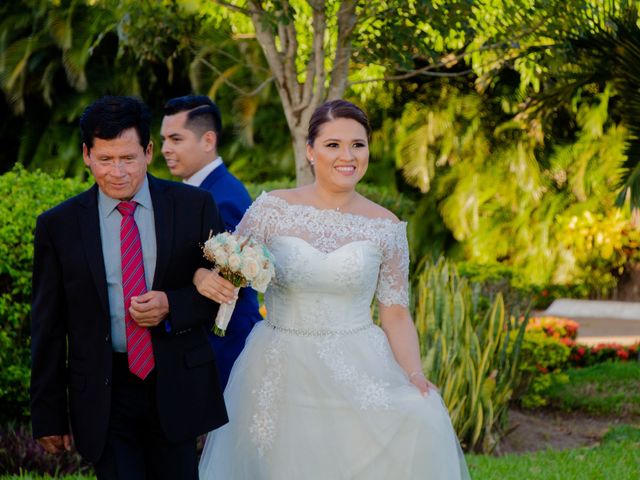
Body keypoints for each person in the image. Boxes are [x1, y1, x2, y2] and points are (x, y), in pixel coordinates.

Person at [195, 99, 471, 479]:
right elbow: (226, 269)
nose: (348, 156)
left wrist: (414, 374)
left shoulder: (386, 226)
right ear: (310, 151)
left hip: (357, 364)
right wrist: (206, 277)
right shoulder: (272, 209)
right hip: (278, 364)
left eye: (358, 145)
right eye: (333, 145)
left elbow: (395, 312)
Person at [30, 96, 228, 479]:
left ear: (149, 151)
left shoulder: (195, 207)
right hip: (104, 393)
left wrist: (172, 304)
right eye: (105, 160)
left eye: (128, 158)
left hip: (175, 385)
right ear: (87, 154)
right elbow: (48, 327)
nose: (117, 172)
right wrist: (47, 414)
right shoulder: (59, 226)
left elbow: (222, 299)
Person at [160, 95, 262, 389]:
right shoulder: (191, 191)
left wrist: (191, 275)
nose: (166, 148)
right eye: (165, 139)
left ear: (207, 140)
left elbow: (229, 281)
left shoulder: (224, 198)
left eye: (176, 139)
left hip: (222, 345)